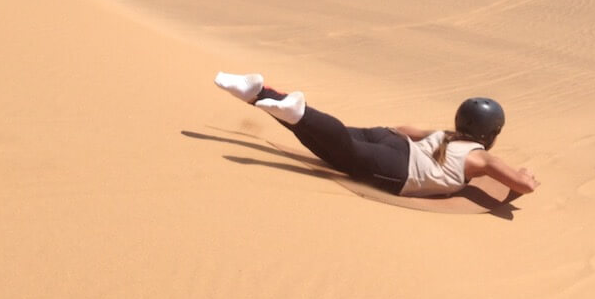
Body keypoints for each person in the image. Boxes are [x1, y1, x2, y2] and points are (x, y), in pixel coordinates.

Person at [215, 72, 539, 198]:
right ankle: (293, 109)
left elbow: (404, 130)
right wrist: (525, 177)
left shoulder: (446, 135)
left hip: (388, 139)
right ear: (491, 132)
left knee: (327, 141)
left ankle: (259, 93)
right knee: (338, 147)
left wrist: (394, 137)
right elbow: (522, 185)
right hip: (398, 166)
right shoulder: (480, 156)